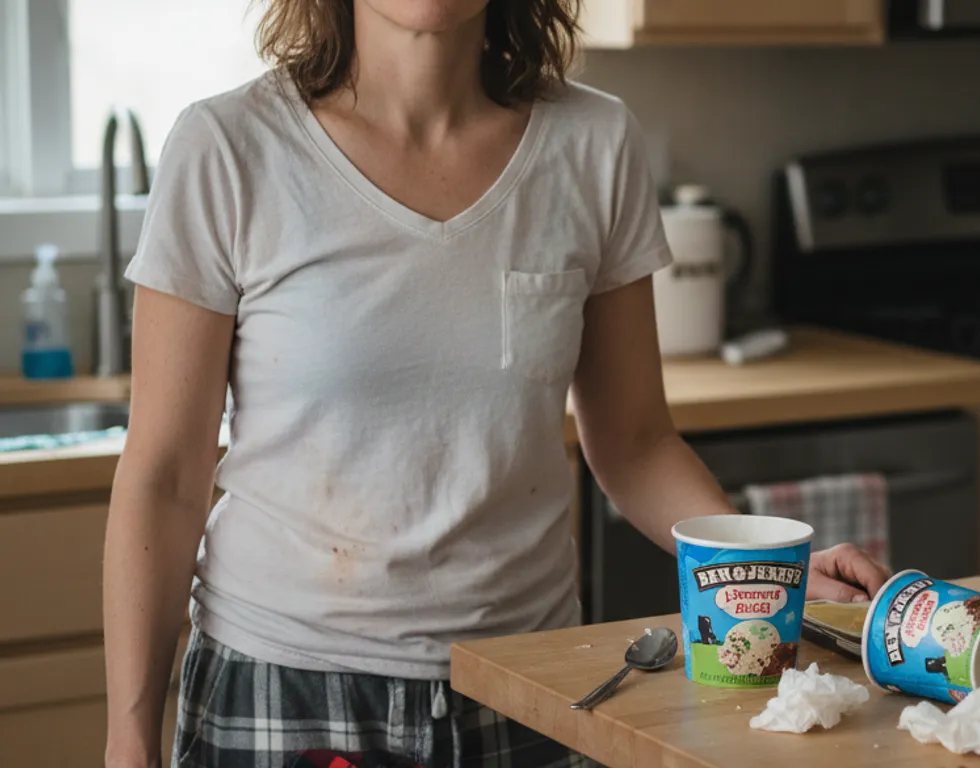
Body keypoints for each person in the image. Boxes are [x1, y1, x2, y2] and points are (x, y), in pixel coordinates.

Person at [102, 1, 891, 766]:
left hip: (527, 690)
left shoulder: (593, 143)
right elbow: (165, 475)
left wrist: (765, 569)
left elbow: (636, 441)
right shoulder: (230, 148)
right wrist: (129, 740)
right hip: (286, 687)